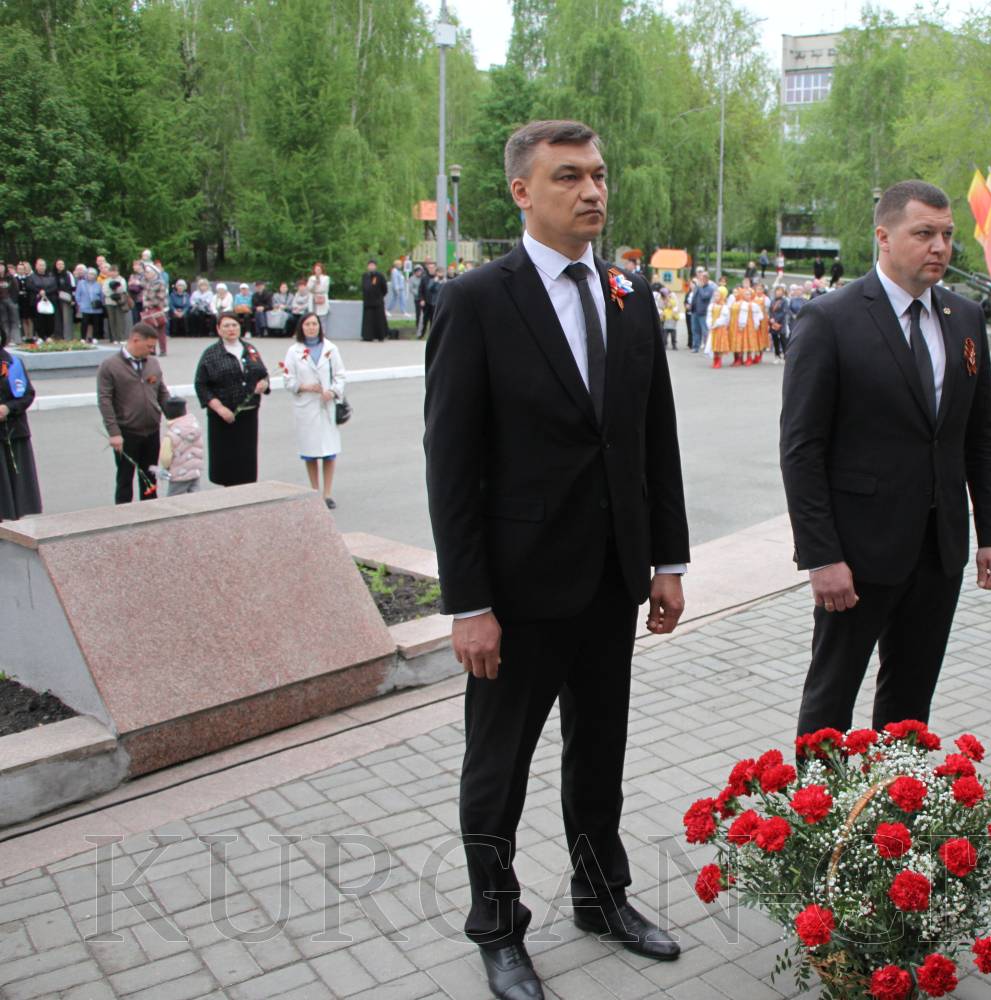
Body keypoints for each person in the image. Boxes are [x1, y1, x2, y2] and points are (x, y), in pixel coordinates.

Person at [423, 118, 690, 1000]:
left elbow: (653, 437)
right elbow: (451, 464)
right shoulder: (476, 300)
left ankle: (601, 896)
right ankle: (497, 927)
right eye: (569, 176)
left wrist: (666, 559)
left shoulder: (628, 294)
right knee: (496, 773)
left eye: (599, 175)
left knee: (599, 756)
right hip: (517, 592)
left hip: (611, 580)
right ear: (521, 191)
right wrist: (469, 603)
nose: (592, 191)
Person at [780, 179, 991, 736]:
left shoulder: (964, 317)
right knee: (831, 699)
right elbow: (802, 449)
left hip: (939, 551)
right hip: (857, 555)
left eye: (947, 235)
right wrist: (821, 556)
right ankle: (821, 795)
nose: (939, 247)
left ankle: (898, 793)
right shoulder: (830, 319)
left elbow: (980, 435)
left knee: (910, 702)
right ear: (883, 237)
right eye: (924, 233)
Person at [194, 313, 270, 487]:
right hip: (224, 417)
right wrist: (219, 408)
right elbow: (201, 385)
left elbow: (263, 373)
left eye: (234, 325)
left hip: (248, 415)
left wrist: (264, 383)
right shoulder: (211, 354)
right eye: (226, 326)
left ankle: (246, 495)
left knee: (246, 463)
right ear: (218, 329)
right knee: (227, 465)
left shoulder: (250, 349)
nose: (231, 329)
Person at [98, 324, 171, 503]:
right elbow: (105, 401)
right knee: (125, 478)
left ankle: (150, 512)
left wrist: (175, 417)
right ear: (135, 340)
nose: (152, 350)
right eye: (149, 346)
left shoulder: (152, 363)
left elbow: (162, 392)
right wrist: (114, 433)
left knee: (150, 477)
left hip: (151, 430)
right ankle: (124, 513)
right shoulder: (110, 366)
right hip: (126, 432)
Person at [280, 313, 346, 509]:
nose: (311, 327)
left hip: (326, 406)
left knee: (329, 452)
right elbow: (288, 379)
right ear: (301, 327)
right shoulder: (294, 351)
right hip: (306, 406)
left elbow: (341, 375)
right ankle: (314, 491)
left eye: (314, 324)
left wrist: (332, 392)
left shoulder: (330, 349)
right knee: (310, 453)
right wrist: (305, 387)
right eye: (307, 324)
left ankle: (327, 493)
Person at [0, 332, 41, 519]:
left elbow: (27, 395)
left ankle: (15, 522)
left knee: (17, 485)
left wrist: (8, 408)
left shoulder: (13, 363)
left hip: (14, 431)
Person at [155, 397, 203, 496]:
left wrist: (166, 467)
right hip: (194, 471)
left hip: (178, 475)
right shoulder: (195, 426)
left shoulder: (171, 435)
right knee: (195, 497)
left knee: (174, 499)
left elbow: (165, 458)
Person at [140, 261, 169, 355]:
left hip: (159, 309)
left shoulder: (160, 283)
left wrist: (149, 301)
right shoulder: (147, 283)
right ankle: (151, 349)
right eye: (145, 272)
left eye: (148, 272)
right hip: (148, 310)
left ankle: (163, 350)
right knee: (149, 331)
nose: (146, 274)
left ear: (154, 273)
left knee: (161, 331)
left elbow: (161, 297)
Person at [360, 260, 389, 342]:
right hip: (368, 302)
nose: (371, 267)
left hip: (378, 302)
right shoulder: (365, 276)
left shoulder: (380, 276)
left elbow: (384, 288)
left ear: (375, 266)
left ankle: (380, 336)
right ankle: (368, 336)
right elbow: (363, 287)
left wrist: (380, 296)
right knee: (368, 321)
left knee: (379, 320)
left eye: (373, 265)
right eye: (370, 265)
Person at [29, 258, 58, 343]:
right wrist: (39, 292)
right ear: (36, 266)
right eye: (40, 265)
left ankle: (49, 336)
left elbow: (54, 287)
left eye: (43, 265)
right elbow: (29, 286)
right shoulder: (31, 277)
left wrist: (45, 292)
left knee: (50, 319)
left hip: (49, 300)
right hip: (37, 301)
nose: (42, 267)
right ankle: (41, 336)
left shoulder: (51, 276)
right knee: (39, 320)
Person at [686, 268, 714, 354]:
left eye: (702, 279)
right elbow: (694, 297)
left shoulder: (710, 288)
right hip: (694, 311)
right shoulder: (698, 287)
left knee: (705, 331)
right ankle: (695, 347)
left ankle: (707, 347)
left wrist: (700, 287)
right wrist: (691, 305)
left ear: (706, 279)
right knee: (695, 330)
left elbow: (704, 297)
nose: (700, 280)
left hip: (703, 313)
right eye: (700, 278)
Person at [75, 268, 104, 344]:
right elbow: (77, 295)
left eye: (93, 274)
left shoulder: (98, 284)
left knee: (96, 323)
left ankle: (95, 337)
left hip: (96, 308)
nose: (91, 276)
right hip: (85, 307)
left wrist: (100, 303)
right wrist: (80, 304)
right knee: (84, 323)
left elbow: (102, 296)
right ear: (86, 275)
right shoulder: (81, 283)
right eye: (90, 274)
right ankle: (83, 338)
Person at [53, 261, 76, 341]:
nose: (60, 265)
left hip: (66, 298)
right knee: (57, 318)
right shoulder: (52, 274)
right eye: (58, 264)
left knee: (67, 318)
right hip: (55, 298)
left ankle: (68, 337)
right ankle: (58, 336)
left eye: (62, 264)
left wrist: (73, 298)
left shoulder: (68, 274)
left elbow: (73, 287)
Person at [768, 284, 789, 362]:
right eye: (777, 291)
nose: (778, 292)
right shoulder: (773, 300)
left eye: (780, 291)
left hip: (781, 323)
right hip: (773, 323)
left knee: (783, 340)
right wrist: (771, 318)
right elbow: (770, 310)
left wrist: (776, 320)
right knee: (775, 340)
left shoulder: (784, 301)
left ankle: (785, 356)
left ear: (783, 292)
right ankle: (777, 355)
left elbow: (784, 312)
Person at [656, 284, 679, 350]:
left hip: (672, 318)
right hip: (664, 317)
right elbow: (658, 306)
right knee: (663, 331)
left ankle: (674, 344)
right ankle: (664, 344)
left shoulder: (672, 297)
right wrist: (661, 312)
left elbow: (676, 305)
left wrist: (670, 306)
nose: (664, 296)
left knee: (673, 332)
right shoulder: (659, 297)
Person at [0, 265, 18, 343]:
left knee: (14, 320)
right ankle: (6, 339)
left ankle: (15, 339)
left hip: (11, 300)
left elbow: (16, 288)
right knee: (4, 320)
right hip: (1, 301)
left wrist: (14, 300)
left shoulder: (10, 277)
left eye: (2, 267)